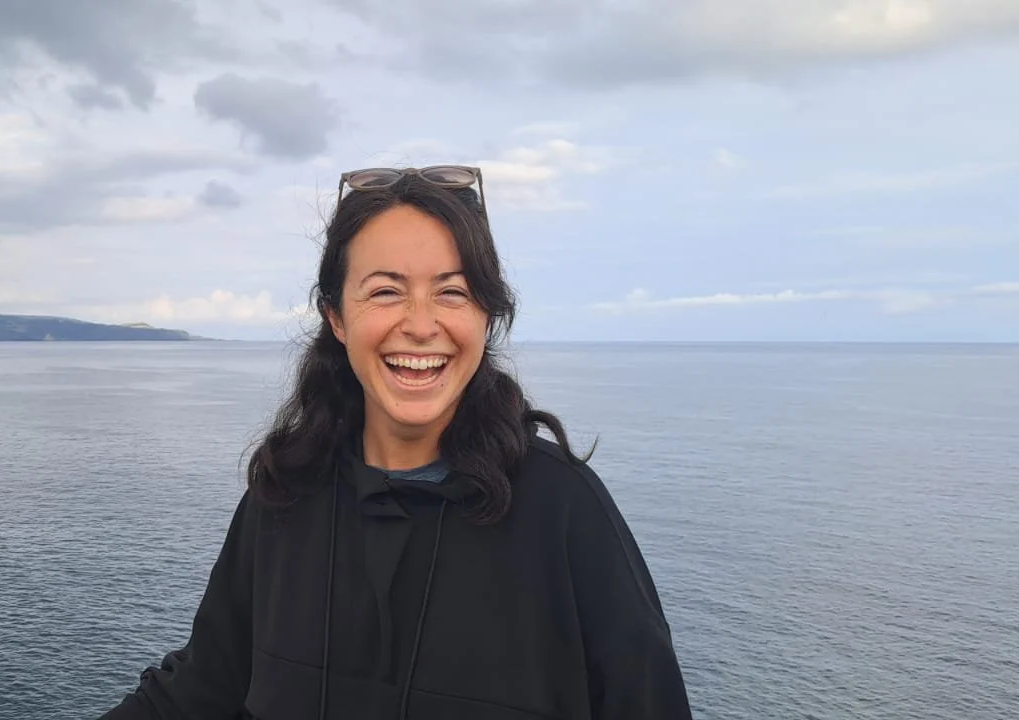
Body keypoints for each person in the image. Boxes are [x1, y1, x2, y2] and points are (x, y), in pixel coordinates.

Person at [97, 165, 693, 719]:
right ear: (336, 317)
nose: (420, 323)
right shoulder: (283, 497)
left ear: (486, 317)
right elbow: (200, 689)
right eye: (386, 291)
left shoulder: (564, 511)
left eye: (452, 292)